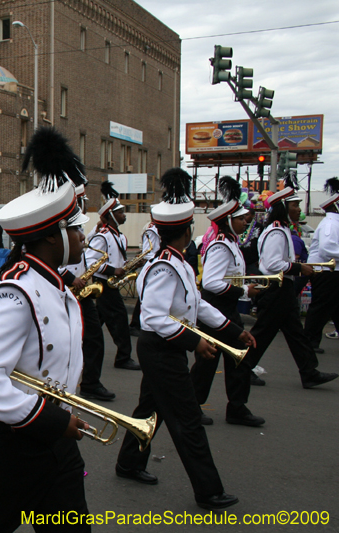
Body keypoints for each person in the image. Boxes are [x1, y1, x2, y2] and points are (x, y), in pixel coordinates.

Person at [0, 128, 91, 532]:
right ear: (51, 236)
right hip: (12, 444)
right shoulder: (16, 293)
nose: (83, 237)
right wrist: (48, 421)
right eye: (76, 229)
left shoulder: (54, 282)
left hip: (56, 441)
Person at [115, 168, 255, 511]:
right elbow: (154, 317)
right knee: (187, 419)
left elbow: (198, 303)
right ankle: (208, 490)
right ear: (185, 231)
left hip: (164, 347)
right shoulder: (165, 266)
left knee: (150, 409)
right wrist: (195, 343)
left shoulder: (177, 262)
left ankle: (128, 463)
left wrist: (234, 331)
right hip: (162, 348)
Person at [237, 179, 338, 391]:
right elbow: (273, 264)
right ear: (283, 208)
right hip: (277, 288)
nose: (299, 209)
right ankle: (244, 367)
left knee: (296, 334)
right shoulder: (276, 230)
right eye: (295, 205)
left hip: (282, 287)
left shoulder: (280, 228)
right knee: (264, 332)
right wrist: (299, 268)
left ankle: (309, 371)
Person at [190, 177, 264, 427]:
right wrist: (244, 291)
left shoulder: (231, 242)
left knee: (237, 357)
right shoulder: (221, 245)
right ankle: (193, 407)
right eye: (242, 219)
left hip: (226, 307)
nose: (246, 222)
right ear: (229, 221)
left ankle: (237, 407)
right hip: (217, 309)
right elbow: (210, 283)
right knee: (207, 362)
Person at [63, 184, 116, 402]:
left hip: (81, 291)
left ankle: (90, 383)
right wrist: (70, 278)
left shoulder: (80, 226)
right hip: (66, 289)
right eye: (83, 201)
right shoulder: (63, 226)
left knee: (93, 337)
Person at [87, 181, 141, 370]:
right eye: (120, 212)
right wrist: (112, 270)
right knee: (120, 324)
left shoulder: (120, 236)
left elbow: (117, 259)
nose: (123, 215)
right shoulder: (103, 236)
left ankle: (79, 349)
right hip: (105, 285)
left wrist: (126, 266)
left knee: (94, 325)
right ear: (111, 216)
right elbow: (90, 261)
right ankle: (123, 358)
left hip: (112, 284)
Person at [303, 178, 339, 354]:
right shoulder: (331, 224)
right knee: (320, 307)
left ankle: (311, 339)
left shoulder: (334, 222)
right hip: (326, 271)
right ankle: (309, 340)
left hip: (331, 271)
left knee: (332, 306)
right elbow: (327, 249)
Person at [129, 221, 159, 335]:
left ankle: (136, 323)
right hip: (152, 265)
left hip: (155, 263)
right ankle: (136, 324)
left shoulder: (154, 228)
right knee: (145, 296)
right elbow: (148, 252)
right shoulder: (152, 229)